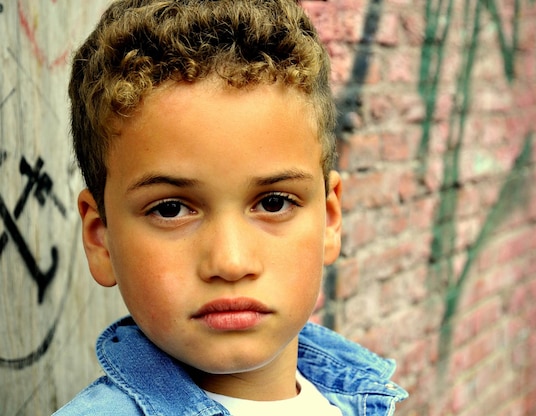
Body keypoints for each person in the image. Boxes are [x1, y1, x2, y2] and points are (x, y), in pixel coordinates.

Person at [54, 0, 407, 414]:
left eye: (273, 203)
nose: (231, 262)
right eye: (170, 210)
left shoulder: (356, 398)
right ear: (101, 239)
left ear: (330, 219)